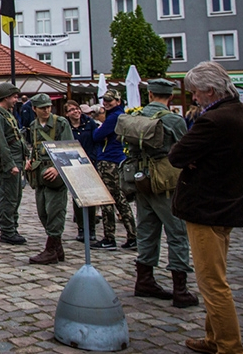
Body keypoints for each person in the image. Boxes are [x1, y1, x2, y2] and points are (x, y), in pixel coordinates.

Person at [169, 62, 243, 354]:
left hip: (207, 208)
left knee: (212, 283)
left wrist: (196, 159)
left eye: (195, 92)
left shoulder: (214, 120)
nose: (194, 98)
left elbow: (177, 154)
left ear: (209, 90)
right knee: (214, 276)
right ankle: (214, 338)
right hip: (228, 205)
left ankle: (230, 347)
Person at [126, 78, 197, 308]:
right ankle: (180, 289)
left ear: (149, 95)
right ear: (171, 97)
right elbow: (186, 149)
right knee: (177, 232)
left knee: (146, 230)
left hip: (141, 179)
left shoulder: (136, 117)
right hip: (166, 181)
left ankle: (144, 280)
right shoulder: (174, 120)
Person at [24, 93, 73, 264]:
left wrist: (57, 168)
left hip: (55, 173)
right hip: (39, 174)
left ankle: (51, 250)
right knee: (42, 212)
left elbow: (68, 148)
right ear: (34, 109)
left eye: (48, 107)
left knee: (55, 210)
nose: (47, 110)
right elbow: (35, 148)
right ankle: (57, 249)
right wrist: (30, 161)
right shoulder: (34, 125)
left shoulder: (60, 123)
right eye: (43, 107)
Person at [91, 89, 137, 250]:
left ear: (118, 101)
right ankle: (132, 235)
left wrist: (99, 132)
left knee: (109, 199)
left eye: (110, 101)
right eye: (105, 101)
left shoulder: (113, 117)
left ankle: (109, 237)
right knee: (120, 198)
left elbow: (96, 135)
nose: (106, 103)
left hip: (109, 160)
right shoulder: (122, 115)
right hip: (119, 160)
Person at [0, 82, 28, 245]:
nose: (16, 100)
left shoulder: (7, 113)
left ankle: (13, 226)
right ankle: (7, 230)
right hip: (8, 162)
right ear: (5, 97)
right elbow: (0, 143)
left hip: (17, 159)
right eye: (13, 97)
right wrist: (10, 164)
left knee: (16, 196)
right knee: (8, 197)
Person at [64, 100, 98, 242]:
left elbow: (97, 140)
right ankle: (81, 228)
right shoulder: (66, 126)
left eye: (77, 108)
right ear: (67, 113)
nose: (76, 111)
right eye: (71, 110)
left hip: (90, 163)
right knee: (77, 198)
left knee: (90, 198)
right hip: (74, 164)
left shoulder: (90, 123)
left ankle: (91, 229)